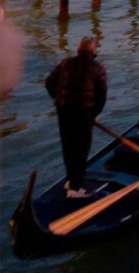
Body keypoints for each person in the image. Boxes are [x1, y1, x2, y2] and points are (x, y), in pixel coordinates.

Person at [45, 37, 107, 198]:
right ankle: (75, 188)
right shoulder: (98, 68)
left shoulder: (65, 63)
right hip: (83, 112)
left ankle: (70, 179)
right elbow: (101, 97)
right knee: (81, 148)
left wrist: (58, 98)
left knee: (68, 145)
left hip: (63, 109)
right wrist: (94, 114)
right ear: (93, 51)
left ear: (78, 49)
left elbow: (49, 82)